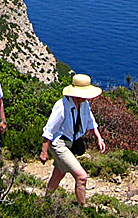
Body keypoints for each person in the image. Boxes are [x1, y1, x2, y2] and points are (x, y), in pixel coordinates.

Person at [40, 73, 107, 207]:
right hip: (59, 143)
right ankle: (82, 208)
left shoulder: (84, 104)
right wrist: (44, 151)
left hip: (71, 142)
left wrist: (99, 138)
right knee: (82, 177)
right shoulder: (62, 106)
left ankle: (44, 202)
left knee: (59, 173)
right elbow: (49, 130)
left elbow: (90, 120)